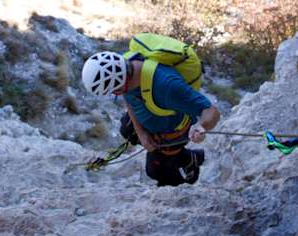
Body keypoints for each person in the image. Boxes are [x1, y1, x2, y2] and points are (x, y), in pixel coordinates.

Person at [82, 50, 221, 186]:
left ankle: (184, 183)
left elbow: (211, 111)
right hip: (154, 117)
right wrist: (141, 133)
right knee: (127, 130)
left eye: (114, 91)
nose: (115, 93)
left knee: (156, 170)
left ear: (121, 84)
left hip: (175, 129)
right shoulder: (126, 64)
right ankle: (187, 157)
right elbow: (129, 98)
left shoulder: (166, 86)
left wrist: (202, 126)